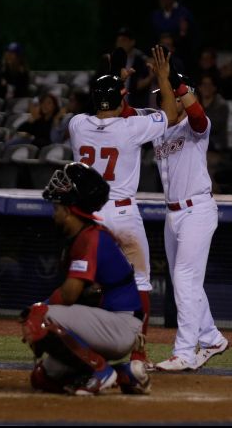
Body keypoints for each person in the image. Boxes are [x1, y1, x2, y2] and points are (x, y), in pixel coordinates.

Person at [69, 63, 180, 365]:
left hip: (90, 218)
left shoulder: (77, 125)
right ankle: (138, 354)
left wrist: (118, 87)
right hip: (123, 214)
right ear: (120, 100)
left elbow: (108, 108)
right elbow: (170, 113)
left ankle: (90, 352)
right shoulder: (130, 128)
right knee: (140, 282)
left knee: (89, 285)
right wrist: (163, 78)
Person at [20, 162, 151, 395]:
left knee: (41, 316)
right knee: (43, 378)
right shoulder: (82, 235)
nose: (54, 213)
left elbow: (69, 295)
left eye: (57, 208)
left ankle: (100, 370)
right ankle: (126, 374)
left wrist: (39, 309)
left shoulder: (90, 238)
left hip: (120, 325)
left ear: (70, 211)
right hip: (107, 325)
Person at [147, 46, 229, 371]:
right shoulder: (159, 130)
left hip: (197, 208)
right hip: (173, 214)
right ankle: (211, 338)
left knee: (184, 276)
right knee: (188, 281)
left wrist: (177, 81)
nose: (163, 99)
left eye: (169, 95)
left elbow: (196, 114)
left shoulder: (197, 127)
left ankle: (184, 352)